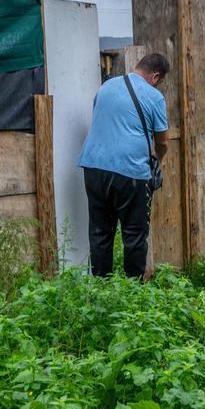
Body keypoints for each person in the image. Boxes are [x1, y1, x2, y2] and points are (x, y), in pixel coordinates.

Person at [78, 53, 170, 279]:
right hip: (130, 172)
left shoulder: (106, 87)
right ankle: (132, 294)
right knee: (134, 235)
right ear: (156, 76)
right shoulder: (154, 96)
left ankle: (101, 288)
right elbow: (163, 141)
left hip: (93, 167)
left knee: (100, 233)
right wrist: (158, 159)